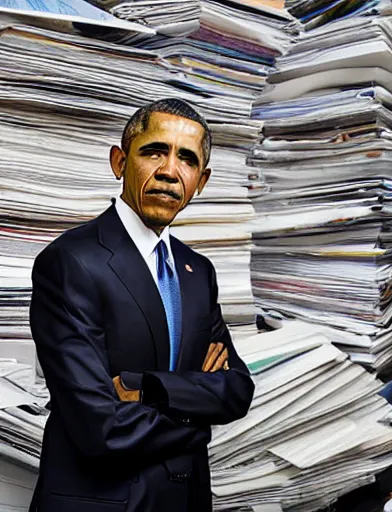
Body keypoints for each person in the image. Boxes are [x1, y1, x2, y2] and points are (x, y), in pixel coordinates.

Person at [29, 98, 255, 512]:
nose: (170, 171)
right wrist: (201, 415)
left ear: (201, 181)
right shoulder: (69, 261)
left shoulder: (197, 270)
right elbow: (102, 429)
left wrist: (147, 388)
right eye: (154, 151)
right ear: (119, 162)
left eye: (186, 159)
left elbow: (237, 390)